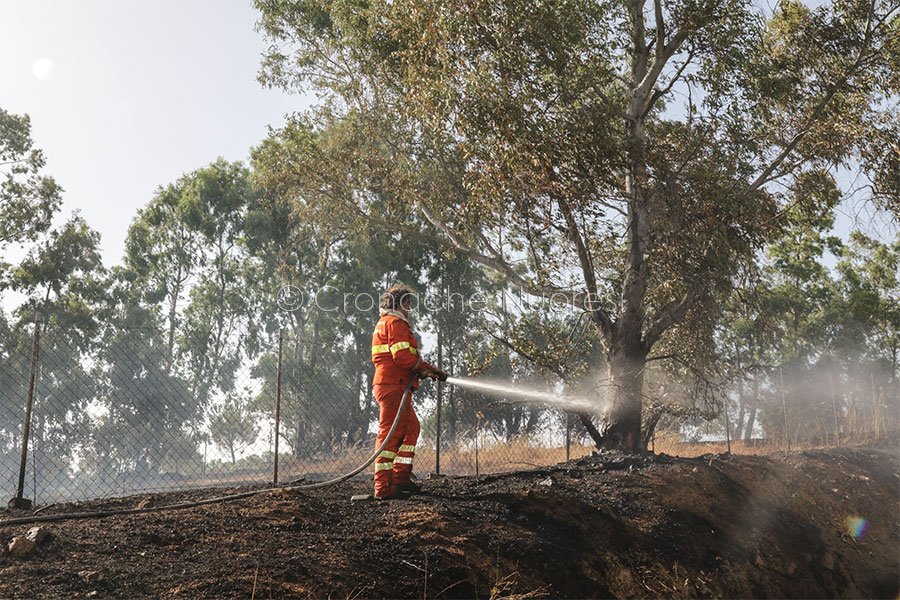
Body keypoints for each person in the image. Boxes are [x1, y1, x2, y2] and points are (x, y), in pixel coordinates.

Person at [370, 284, 447, 499]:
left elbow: (403, 356)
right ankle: (383, 488)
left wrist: (429, 370)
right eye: (408, 304)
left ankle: (400, 480)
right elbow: (402, 356)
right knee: (390, 433)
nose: (409, 309)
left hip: (396, 384)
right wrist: (425, 369)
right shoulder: (395, 323)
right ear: (401, 303)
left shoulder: (386, 322)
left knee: (411, 428)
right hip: (392, 385)